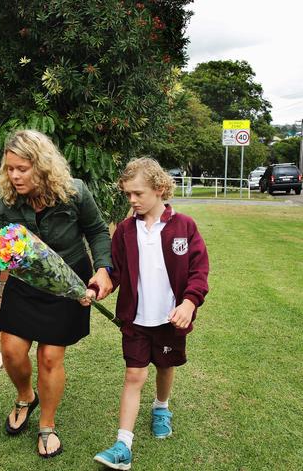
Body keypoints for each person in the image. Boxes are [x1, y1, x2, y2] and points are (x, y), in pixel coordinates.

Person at [0, 129, 113, 458]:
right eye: (10, 169)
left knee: (50, 357)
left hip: (68, 283)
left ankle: (46, 425)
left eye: (23, 169)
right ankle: (26, 396)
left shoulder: (74, 192)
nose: (15, 176)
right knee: (11, 352)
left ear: (42, 165)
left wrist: (103, 268)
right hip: (27, 282)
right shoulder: (3, 202)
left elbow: (96, 231)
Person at [94, 158, 209, 470]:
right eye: (128, 194)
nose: (131, 200)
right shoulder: (125, 231)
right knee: (134, 374)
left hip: (170, 318)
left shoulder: (184, 226)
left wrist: (189, 303)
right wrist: (98, 288)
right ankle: (122, 445)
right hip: (135, 319)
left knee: (165, 365)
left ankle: (161, 407)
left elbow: (199, 272)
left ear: (159, 189)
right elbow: (116, 272)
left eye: (137, 193)